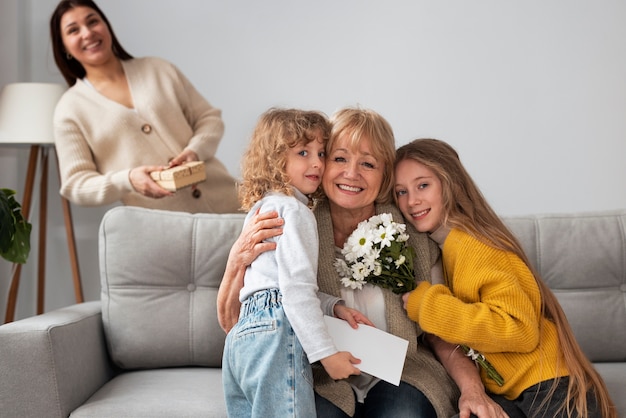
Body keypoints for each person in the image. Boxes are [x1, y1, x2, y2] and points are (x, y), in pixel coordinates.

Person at [218, 107, 509, 418]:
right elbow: (238, 322)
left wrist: (472, 391)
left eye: (368, 164)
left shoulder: (413, 232)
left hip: (403, 374)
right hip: (322, 375)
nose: (351, 173)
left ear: (385, 175)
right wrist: (236, 261)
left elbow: (441, 330)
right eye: (340, 158)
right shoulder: (289, 222)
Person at [394, 138, 617, 418]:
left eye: (423, 185)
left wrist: (428, 305)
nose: (411, 201)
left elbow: (520, 330)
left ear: (451, 184)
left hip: (551, 389)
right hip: (516, 393)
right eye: (401, 192)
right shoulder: (448, 248)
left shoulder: (473, 245)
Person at [222, 108, 363, 417]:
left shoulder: (259, 210)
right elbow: (293, 290)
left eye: (321, 153)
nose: (317, 163)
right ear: (275, 159)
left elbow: (273, 281)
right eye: (303, 152)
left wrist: (331, 305)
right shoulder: (296, 211)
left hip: (241, 338)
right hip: (275, 331)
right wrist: (328, 356)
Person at [49, 0, 238, 213]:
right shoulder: (70, 109)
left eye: (93, 22)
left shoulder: (158, 69)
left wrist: (195, 152)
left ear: (106, 26)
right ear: (63, 46)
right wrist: (127, 180)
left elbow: (209, 119)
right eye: (73, 30)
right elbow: (75, 183)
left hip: (230, 203)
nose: (87, 33)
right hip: (166, 226)